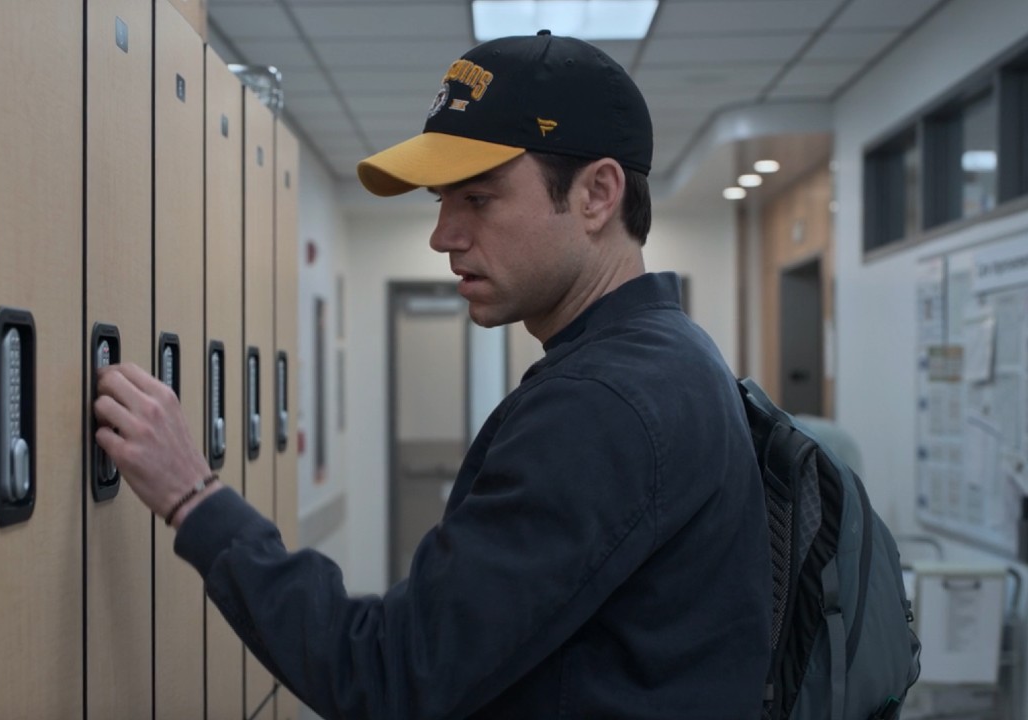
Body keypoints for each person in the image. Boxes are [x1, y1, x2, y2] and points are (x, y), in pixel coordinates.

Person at [94, 30, 771, 719]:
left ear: (597, 194)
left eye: (477, 198)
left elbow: (389, 676)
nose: (443, 235)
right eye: (441, 201)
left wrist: (193, 499)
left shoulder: (603, 404)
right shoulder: (670, 357)